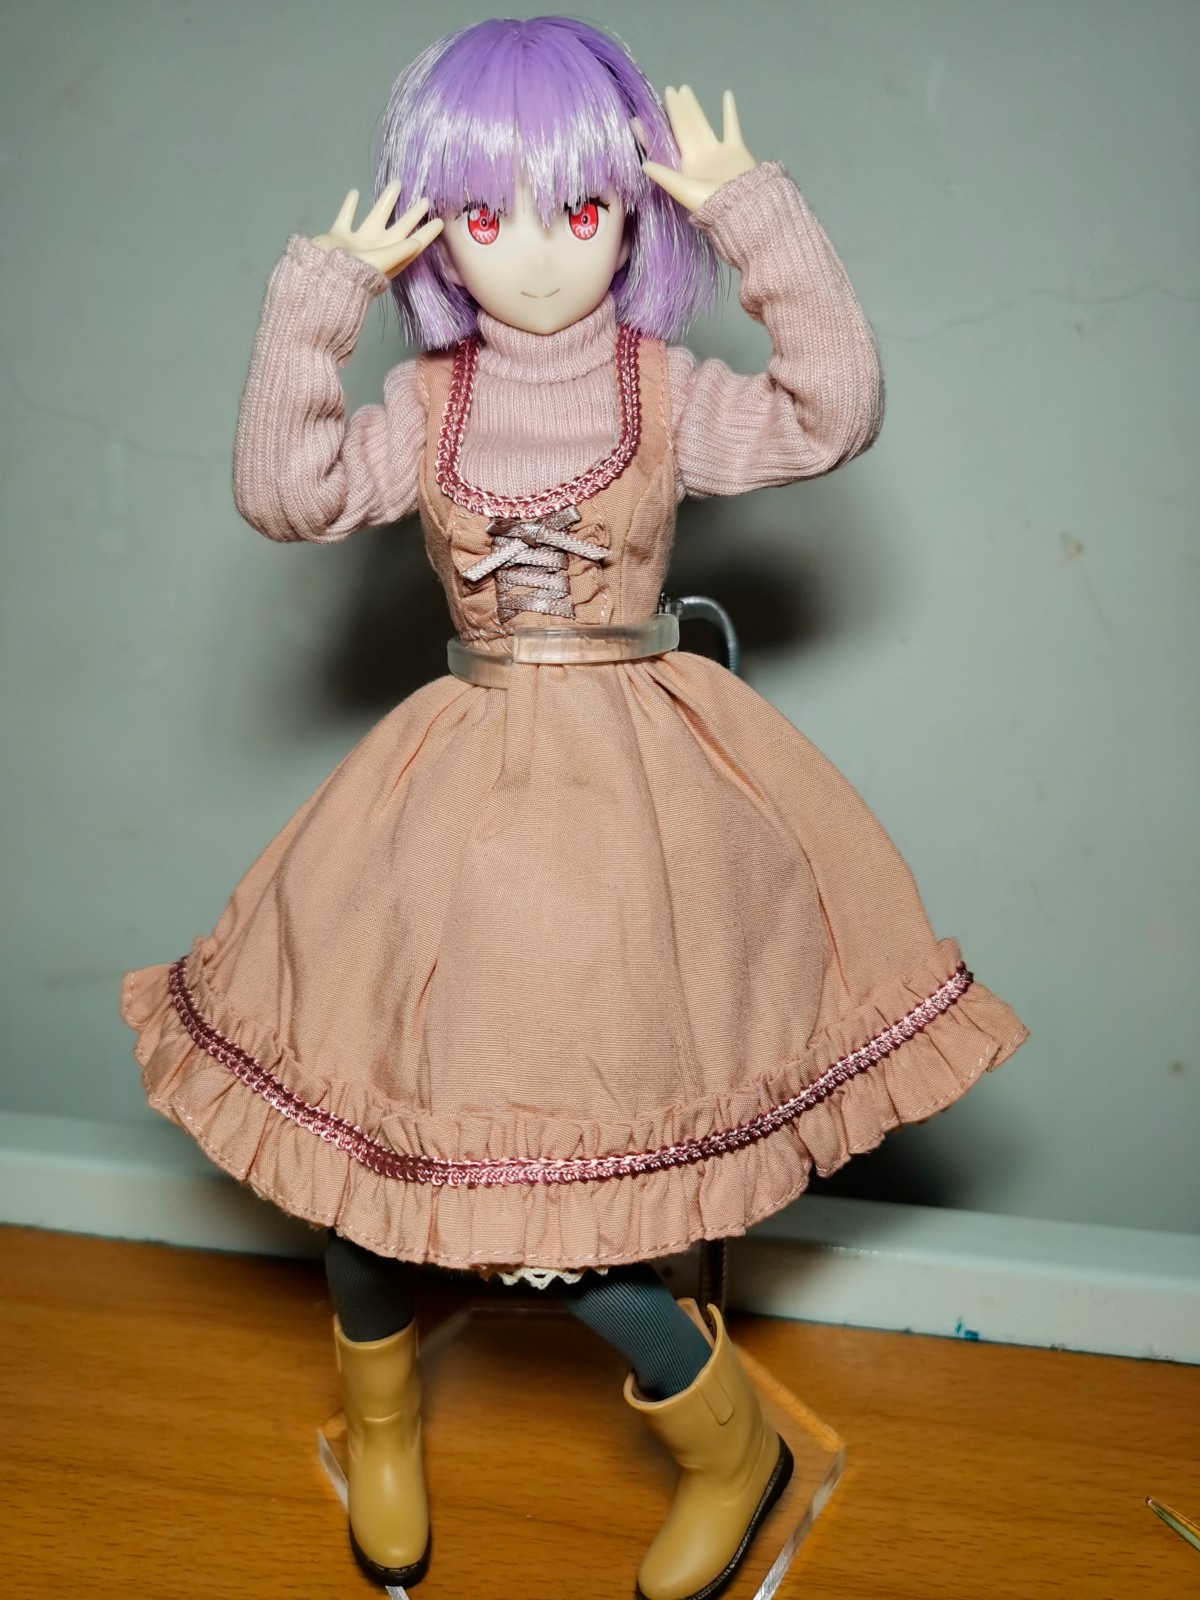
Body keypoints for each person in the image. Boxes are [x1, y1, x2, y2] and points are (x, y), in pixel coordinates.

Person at [122, 17, 1026, 1598]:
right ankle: (382, 1423)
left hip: (626, 823)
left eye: (581, 209)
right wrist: (312, 304)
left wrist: (757, 218)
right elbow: (287, 492)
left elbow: (831, 411)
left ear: (632, 218)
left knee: (589, 1203)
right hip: (447, 805)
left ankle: (725, 1444)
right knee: (371, 1158)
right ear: (436, 230)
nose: (535, 255)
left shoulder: (662, 392)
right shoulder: (433, 401)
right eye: (484, 216)